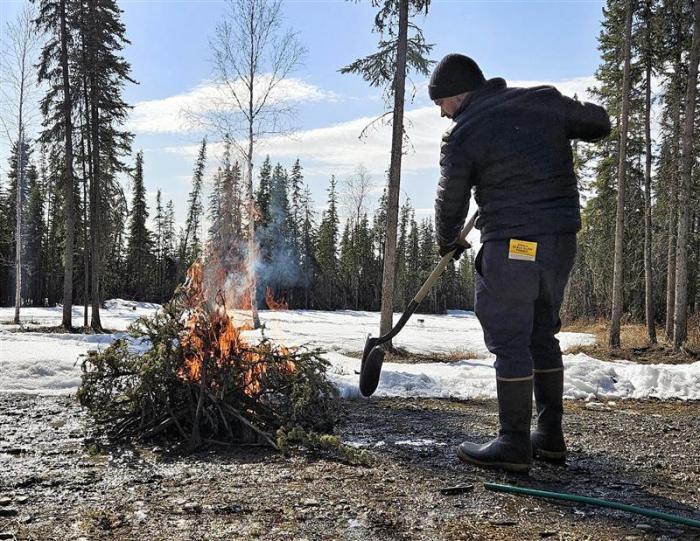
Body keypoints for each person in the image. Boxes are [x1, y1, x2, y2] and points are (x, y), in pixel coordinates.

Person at [430, 54, 611, 472]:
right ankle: (549, 439)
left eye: (441, 104)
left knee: (510, 337)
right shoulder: (541, 101)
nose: (442, 113)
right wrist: (551, 120)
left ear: (458, 95)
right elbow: (599, 123)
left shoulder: (465, 132)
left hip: (512, 245)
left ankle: (513, 443)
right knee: (540, 334)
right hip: (559, 243)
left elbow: (450, 197)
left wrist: (446, 240)